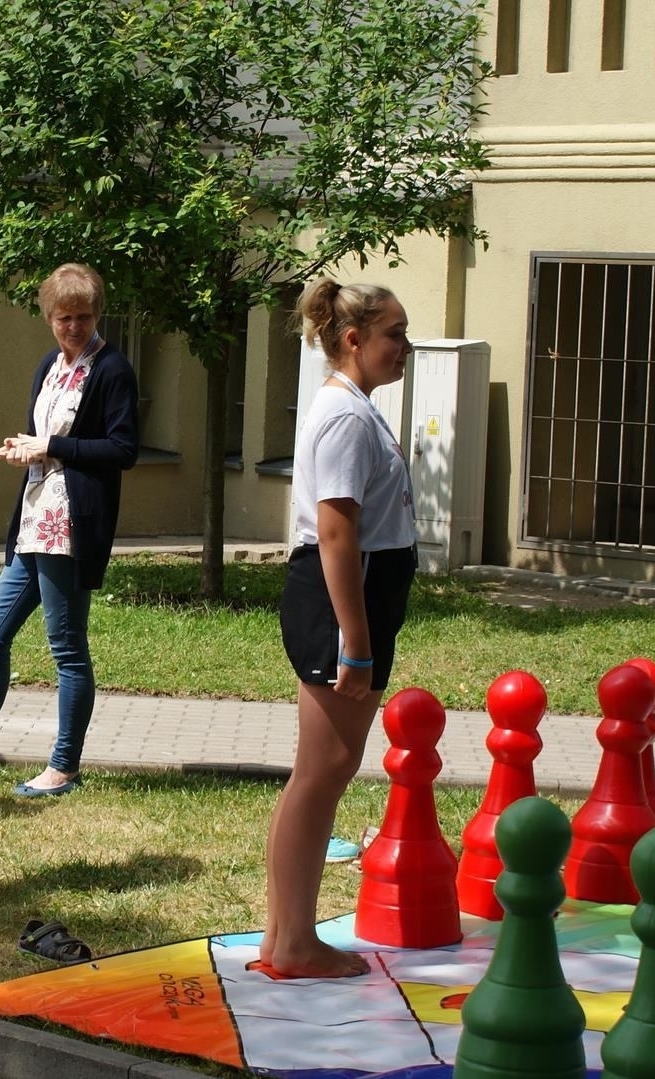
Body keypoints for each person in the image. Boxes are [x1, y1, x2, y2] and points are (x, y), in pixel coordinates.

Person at [263, 278, 417, 979]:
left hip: (351, 601)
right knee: (323, 772)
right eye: (394, 334)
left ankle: (282, 938)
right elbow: (335, 532)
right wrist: (355, 642)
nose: (405, 347)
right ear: (353, 339)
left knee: (320, 772)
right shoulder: (345, 416)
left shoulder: (354, 407)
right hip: (340, 606)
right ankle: (294, 943)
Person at [0, 263, 137, 797]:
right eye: (63, 318)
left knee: (66, 647)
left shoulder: (113, 369)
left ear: (97, 315)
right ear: (49, 317)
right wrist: (24, 449)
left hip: (70, 527)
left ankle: (63, 767)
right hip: (34, 521)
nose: (73, 327)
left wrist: (49, 446)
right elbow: (45, 439)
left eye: (83, 317)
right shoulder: (50, 367)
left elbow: (123, 449)